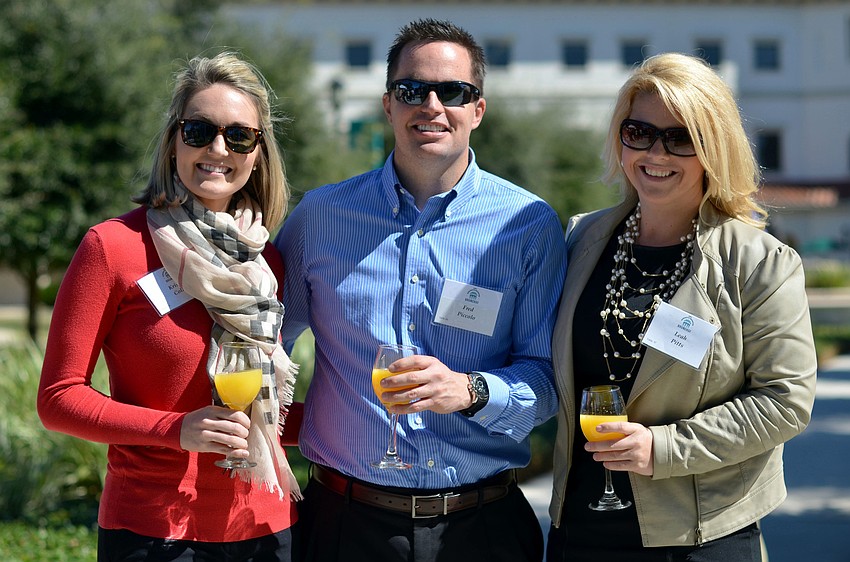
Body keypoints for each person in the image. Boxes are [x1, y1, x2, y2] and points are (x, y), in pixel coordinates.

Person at [274, 18, 566, 562]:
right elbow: (268, 346)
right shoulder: (320, 217)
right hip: (345, 526)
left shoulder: (528, 225)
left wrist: (471, 391)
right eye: (412, 90)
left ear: (478, 109)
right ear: (389, 105)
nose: (431, 105)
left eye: (452, 91)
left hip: (483, 530)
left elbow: (547, 378)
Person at [546, 52, 818, 561]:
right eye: (639, 132)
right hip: (580, 530)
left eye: (680, 138)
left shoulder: (759, 262)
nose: (656, 152)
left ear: (713, 148)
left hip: (699, 539)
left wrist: (661, 449)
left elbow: (785, 401)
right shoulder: (583, 237)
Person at [38, 51, 301, 561]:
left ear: (258, 151)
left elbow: (267, 416)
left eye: (239, 136)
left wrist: (365, 421)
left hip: (266, 528)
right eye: (199, 130)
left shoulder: (268, 260)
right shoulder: (113, 246)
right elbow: (57, 398)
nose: (218, 149)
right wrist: (174, 429)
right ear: (174, 140)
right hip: (152, 531)